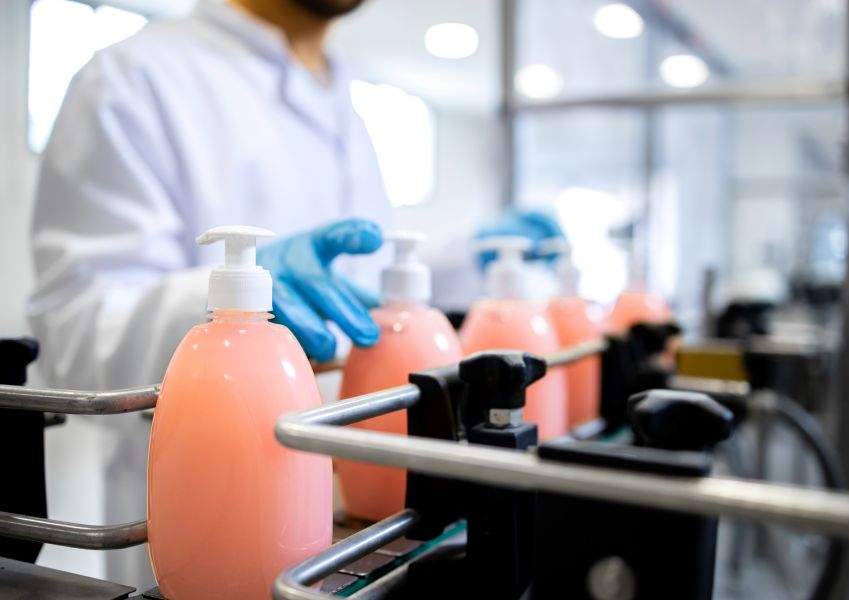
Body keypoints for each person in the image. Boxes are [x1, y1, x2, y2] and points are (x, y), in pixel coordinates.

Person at [28, 0, 564, 587]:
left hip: (366, 522)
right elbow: (76, 331)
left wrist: (466, 258)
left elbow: (365, 277)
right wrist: (223, 321)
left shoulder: (346, 95)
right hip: (207, 522)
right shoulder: (135, 75)